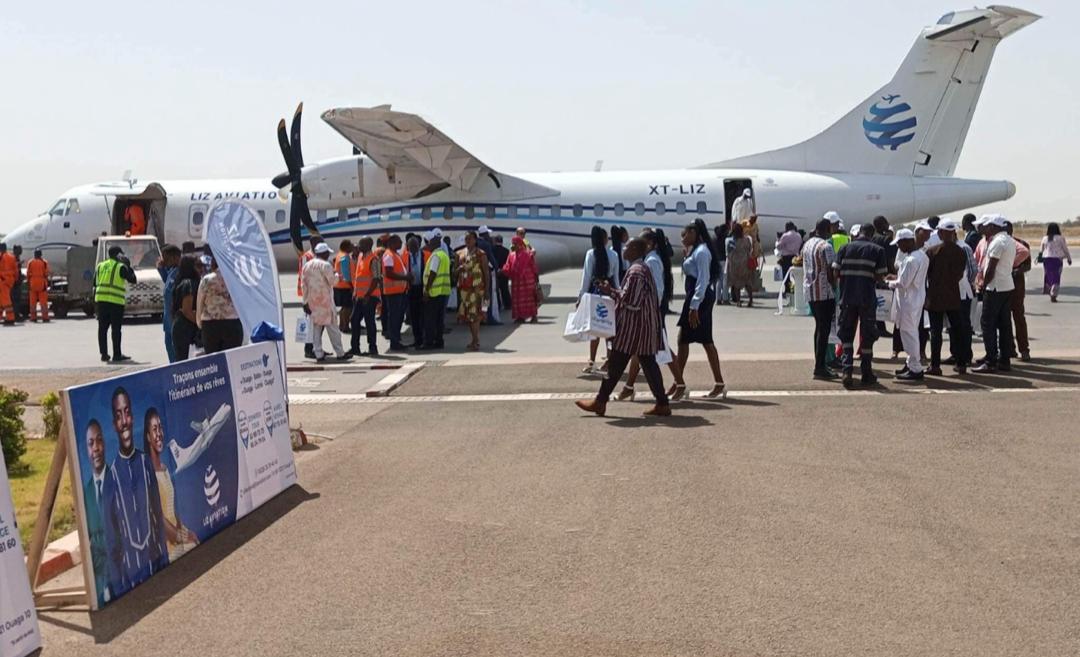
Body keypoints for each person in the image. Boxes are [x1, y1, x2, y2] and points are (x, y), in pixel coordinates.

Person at [575, 238, 671, 417]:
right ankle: (662, 403)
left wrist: (610, 291)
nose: (624, 249)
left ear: (634, 249)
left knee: (616, 365)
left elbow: (632, 302)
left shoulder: (636, 271)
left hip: (634, 329)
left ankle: (600, 402)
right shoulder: (641, 269)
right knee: (648, 366)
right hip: (643, 327)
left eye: (627, 246)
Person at [103, 386, 168, 598]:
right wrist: (120, 588)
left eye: (127, 412)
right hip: (130, 584)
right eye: (119, 415)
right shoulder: (111, 476)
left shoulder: (145, 462)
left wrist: (164, 564)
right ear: (114, 424)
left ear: (133, 417)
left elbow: (157, 515)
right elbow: (112, 540)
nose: (124, 421)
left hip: (155, 572)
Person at [615, 229, 685, 401]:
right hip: (649, 311)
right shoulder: (650, 259)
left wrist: (651, 310)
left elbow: (658, 289)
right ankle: (629, 386)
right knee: (640, 350)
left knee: (660, 347)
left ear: (651, 244)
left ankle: (680, 384)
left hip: (650, 312)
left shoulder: (652, 261)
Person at [673, 219, 726, 400]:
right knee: (696, 340)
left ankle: (679, 384)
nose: (682, 238)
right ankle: (680, 383)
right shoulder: (695, 251)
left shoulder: (702, 252)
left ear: (695, 234)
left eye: (685, 234)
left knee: (693, 340)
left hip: (699, 299)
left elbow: (702, 280)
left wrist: (694, 306)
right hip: (696, 298)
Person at [833, 223, 888, 388]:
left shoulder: (844, 248)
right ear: (871, 234)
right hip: (866, 299)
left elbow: (836, 272)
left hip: (847, 298)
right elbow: (880, 276)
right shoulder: (878, 250)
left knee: (846, 335)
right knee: (867, 336)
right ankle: (866, 372)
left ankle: (847, 370)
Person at [142, 408, 198, 563]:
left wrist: (186, 531)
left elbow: (172, 513)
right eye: (154, 429)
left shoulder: (165, 469)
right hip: (167, 546)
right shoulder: (149, 475)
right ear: (148, 437)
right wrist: (183, 537)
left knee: (196, 542)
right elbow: (159, 518)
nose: (159, 433)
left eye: (160, 427)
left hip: (177, 536)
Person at [924, 220, 971, 375]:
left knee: (936, 332)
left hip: (935, 297)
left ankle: (935, 365)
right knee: (958, 330)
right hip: (953, 296)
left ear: (940, 232)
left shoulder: (932, 251)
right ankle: (961, 363)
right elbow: (959, 274)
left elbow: (927, 274)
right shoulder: (960, 251)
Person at [973, 215, 1017, 373]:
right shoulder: (1009, 240)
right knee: (1004, 325)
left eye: (986, 226)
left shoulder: (997, 242)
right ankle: (1004, 360)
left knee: (987, 324)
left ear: (992, 226)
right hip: (1006, 286)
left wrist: (984, 285)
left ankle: (991, 360)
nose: (983, 228)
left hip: (995, 287)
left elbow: (991, 268)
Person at [888, 229, 929, 382]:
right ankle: (910, 363)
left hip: (909, 301)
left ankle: (915, 368)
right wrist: (896, 277)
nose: (899, 246)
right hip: (915, 299)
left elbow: (903, 283)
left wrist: (888, 282)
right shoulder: (921, 256)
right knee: (910, 332)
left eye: (899, 243)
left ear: (908, 241)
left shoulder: (912, 259)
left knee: (909, 333)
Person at [578, 226, 619, 374]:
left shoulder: (591, 254)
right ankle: (609, 359)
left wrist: (580, 296)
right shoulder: (614, 255)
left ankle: (591, 360)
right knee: (608, 328)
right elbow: (616, 278)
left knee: (594, 328)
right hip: (609, 292)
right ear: (605, 239)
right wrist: (618, 294)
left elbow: (586, 277)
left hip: (595, 292)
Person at [302, 242, 352, 362]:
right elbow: (333, 282)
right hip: (326, 302)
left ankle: (318, 354)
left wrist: (305, 302)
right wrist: (337, 275)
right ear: (323, 253)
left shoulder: (307, 266)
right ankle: (340, 353)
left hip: (313, 302)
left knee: (316, 330)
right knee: (333, 329)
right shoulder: (326, 265)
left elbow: (304, 285)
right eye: (327, 253)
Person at [801, 219, 838, 379]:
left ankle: (819, 363)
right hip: (824, 293)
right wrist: (835, 288)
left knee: (819, 328)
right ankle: (820, 366)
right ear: (828, 229)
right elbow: (831, 271)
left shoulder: (808, 244)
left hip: (810, 291)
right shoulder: (826, 246)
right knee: (824, 330)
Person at [82, 419, 114, 605]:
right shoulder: (85, 494)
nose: (95, 448)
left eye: (99, 441)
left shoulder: (117, 482)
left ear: (105, 444)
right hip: (100, 582)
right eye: (90, 443)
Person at [94, 245, 137, 362]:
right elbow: (133, 279)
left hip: (101, 302)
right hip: (115, 302)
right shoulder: (121, 267)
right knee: (116, 329)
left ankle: (104, 354)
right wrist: (128, 266)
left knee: (102, 329)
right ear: (119, 255)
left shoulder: (100, 266)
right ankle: (117, 355)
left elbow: (95, 283)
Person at [196, 252, 243, 354]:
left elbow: (200, 302)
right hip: (232, 323)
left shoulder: (206, 279)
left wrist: (200, 323)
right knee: (232, 359)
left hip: (210, 325)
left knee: (213, 362)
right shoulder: (236, 278)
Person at [457, 231, 489, 351]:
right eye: (466, 239)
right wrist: (459, 269)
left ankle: (476, 340)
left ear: (475, 240)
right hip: (465, 290)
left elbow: (486, 272)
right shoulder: (460, 254)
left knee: (475, 316)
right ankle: (474, 339)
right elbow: (455, 272)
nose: (468, 241)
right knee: (469, 317)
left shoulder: (481, 254)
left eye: (470, 239)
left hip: (477, 290)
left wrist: (487, 290)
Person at [350, 237, 382, 356]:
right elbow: (359, 278)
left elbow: (376, 279)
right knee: (354, 320)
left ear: (368, 245)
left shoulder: (374, 259)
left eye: (361, 244)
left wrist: (368, 294)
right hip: (359, 296)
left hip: (369, 297)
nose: (358, 246)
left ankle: (372, 348)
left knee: (369, 322)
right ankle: (355, 347)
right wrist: (355, 293)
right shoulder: (360, 257)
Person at [419, 231, 451, 350]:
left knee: (430, 319)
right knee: (439, 319)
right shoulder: (444, 255)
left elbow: (433, 273)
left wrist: (426, 290)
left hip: (433, 292)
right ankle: (439, 341)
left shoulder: (436, 256)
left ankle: (428, 342)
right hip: (443, 292)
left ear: (432, 243)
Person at [1006, 222, 1032, 362]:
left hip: (1016, 286)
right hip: (1003, 284)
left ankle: (1024, 349)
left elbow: (1028, 265)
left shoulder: (1021, 244)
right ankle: (1010, 348)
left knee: (1019, 317)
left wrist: (1017, 270)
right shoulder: (999, 244)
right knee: (1004, 319)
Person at [380, 235, 410, 351]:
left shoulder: (394, 254)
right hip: (393, 292)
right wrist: (405, 277)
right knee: (394, 318)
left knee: (397, 318)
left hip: (399, 291)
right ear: (392, 243)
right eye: (399, 242)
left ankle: (396, 340)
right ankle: (394, 342)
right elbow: (389, 273)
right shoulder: (388, 255)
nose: (401, 244)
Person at [502, 235, 540, 323]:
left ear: (520, 244)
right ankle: (520, 317)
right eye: (513, 243)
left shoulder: (528, 254)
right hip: (516, 281)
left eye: (515, 243)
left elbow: (533, 267)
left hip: (527, 281)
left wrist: (536, 279)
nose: (514, 245)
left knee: (530, 299)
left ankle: (533, 316)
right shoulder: (511, 255)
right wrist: (504, 270)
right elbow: (508, 266)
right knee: (517, 299)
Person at [170, 256, 201, 361]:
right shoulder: (188, 284)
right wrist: (201, 323)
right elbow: (187, 311)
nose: (201, 269)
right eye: (198, 266)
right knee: (183, 363)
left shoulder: (185, 282)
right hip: (184, 328)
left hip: (186, 327)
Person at [297, 236, 321, 359]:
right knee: (310, 324)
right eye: (319, 242)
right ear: (312, 243)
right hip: (309, 294)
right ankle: (308, 349)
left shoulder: (317, 256)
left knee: (317, 323)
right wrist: (305, 300)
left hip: (315, 294)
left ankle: (316, 348)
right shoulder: (307, 256)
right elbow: (304, 277)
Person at [156, 244, 182, 361]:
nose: (163, 260)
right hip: (168, 321)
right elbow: (168, 282)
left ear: (174, 258)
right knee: (169, 347)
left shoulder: (180, 273)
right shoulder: (171, 271)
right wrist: (161, 269)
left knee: (176, 351)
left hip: (175, 320)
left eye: (165, 258)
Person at [404, 236, 427, 348]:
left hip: (422, 288)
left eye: (415, 246)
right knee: (414, 317)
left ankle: (424, 339)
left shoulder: (425, 255)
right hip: (411, 289)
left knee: (423, 316)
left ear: (418, 245)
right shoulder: (405, 256)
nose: (412, 249)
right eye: (410, 247)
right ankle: (417, 340)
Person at [1040, 222, 1072, 302]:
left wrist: (1040, 257)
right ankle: (1053, 293)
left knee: (1048, 275)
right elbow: (1065, 249)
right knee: (1056, 276)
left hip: (1046, 260)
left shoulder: (1045, 238)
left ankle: (1049, 290)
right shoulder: (1060, 238)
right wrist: (1069, 258)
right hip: (1057, 260)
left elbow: (1041, 250)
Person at [477, 227, 502, 325]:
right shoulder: (486, 245)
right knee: (486, 296)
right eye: (488, 234)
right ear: (485, 235)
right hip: (485, 273)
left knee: (478, 297)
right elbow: (491, 258)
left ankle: (480, 316)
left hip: (476, 274)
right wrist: (497, 268)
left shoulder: (475, 243)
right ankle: (487, 316)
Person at [726, 222, 753, 306]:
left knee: (736, 283)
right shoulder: (747, 239)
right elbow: (749, 249)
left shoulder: (731, 241)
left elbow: (728, 251)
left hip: (734, 263)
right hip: (745, 262)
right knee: (747, 282)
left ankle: (738, 301)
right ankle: (750, 300)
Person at [333, 240, 354, 334]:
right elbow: (346, 273)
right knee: (347, 307)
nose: (352, 248)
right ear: (347, 247)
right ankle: (345, 325)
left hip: (338, 284)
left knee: (344, 307)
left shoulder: (339, 255)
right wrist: (351, 285)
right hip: (345, 285)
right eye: (351, 246)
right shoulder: (345, 256)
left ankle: (342, 325)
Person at [776, 221, 802, 296]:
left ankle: (787, 289)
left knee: (786, 274)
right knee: (794, 274)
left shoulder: (785, 235)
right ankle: (794, 289)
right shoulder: (798, 235)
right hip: (795, 257)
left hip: (786, 257)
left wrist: (778, 240)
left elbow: (779, 247)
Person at [741, 214, 765, 293]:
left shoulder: (756, 225)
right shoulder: (744, 223)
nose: (754, 220)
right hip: (746, 244)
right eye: (753, 219)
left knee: (753, 265)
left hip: (754, 245)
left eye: (755, 219)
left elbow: (757, 235)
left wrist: (760, 245)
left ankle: (753, 285)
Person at [26, 249, 50, 322]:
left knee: (32, 302)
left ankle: (33, 318)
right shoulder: (44, 262)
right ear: (41, 255)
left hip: (32, 283)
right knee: (43, 302)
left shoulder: (30, 262)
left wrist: (28, 283)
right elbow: (46, 273)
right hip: (42, 283)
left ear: (34, 254)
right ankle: (45, 317)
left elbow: (28, 273)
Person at [492, 234, 512, 310]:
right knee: (505, 289)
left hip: (495, 272)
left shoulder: (492, 249)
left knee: (496, 290)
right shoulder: (506, 251)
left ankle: (498, 305)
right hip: (504, 272)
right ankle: (508, 304)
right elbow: (508, 262)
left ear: (495, 241)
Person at [0, 242, 18, 325]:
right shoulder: (12, 257)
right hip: (10, 280)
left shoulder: (1, 257)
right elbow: (16, 270)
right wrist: (16, 280)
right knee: (2, 299)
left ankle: (10, 318)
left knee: (6, 300)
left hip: (2, 280)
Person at [713, 225, 730, 305]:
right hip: (724, 260)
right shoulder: (725, 240)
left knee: (718, 281)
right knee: (725, 280)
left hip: (717, 260)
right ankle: (725, 298)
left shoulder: (714, 240)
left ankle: (718, 299)